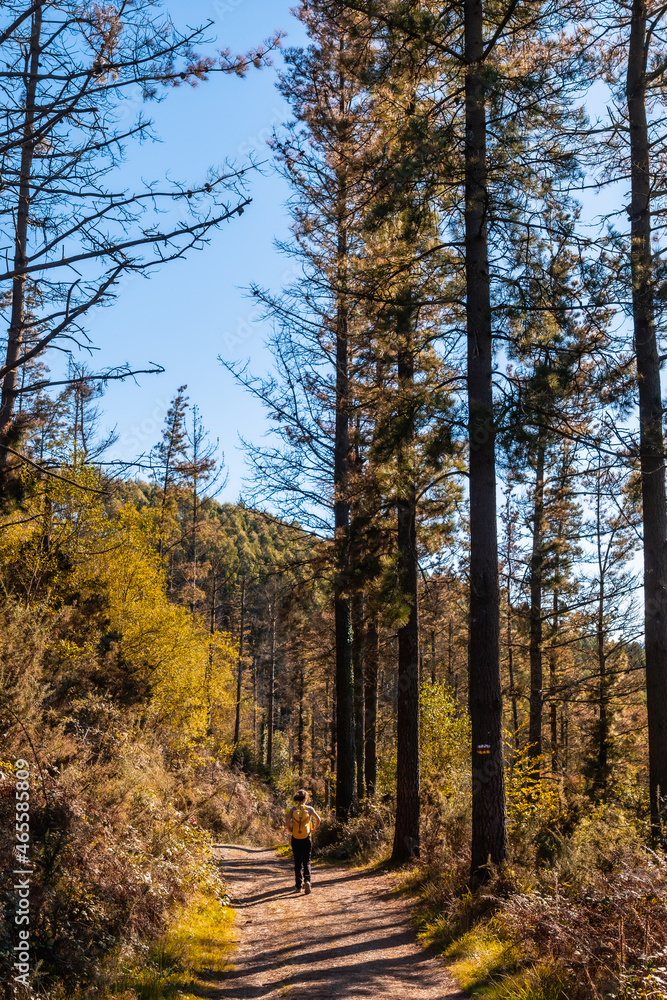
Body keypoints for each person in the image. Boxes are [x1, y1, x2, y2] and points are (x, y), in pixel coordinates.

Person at [285, 788, 321, 894]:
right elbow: (318, 819)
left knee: (297, 862)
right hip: (306, 838)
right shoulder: (309, 809)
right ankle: (308, 881)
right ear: (306, 798)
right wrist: (313, 829)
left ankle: (298, 886)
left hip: (295, 838)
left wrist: (290, 829)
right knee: (306, 861)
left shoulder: (292, 809)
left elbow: (287, 821)